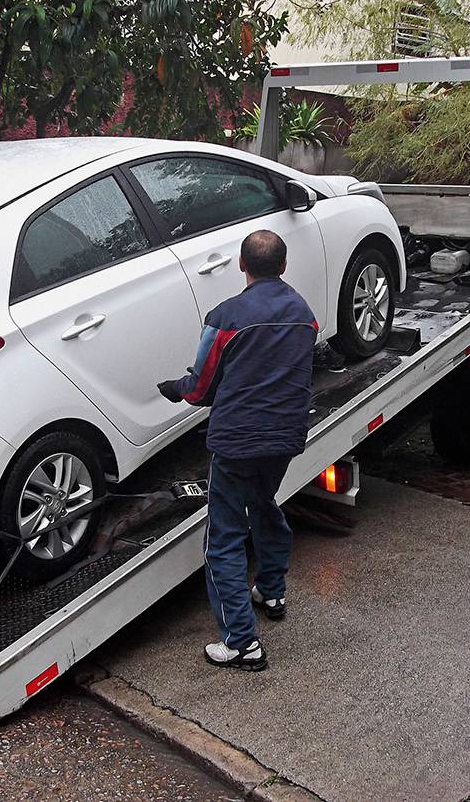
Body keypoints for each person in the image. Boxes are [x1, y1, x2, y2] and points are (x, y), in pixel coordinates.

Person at [157, 230, 318, 672]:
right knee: (264, 504)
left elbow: (201, 389)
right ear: (283, 266)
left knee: (223, 540)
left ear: (242, 265)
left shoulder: (226, 317)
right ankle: (271, 591)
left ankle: (242, 643)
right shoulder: (304, 314)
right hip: (285, 438)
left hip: (237, 442)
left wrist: (174, 388)